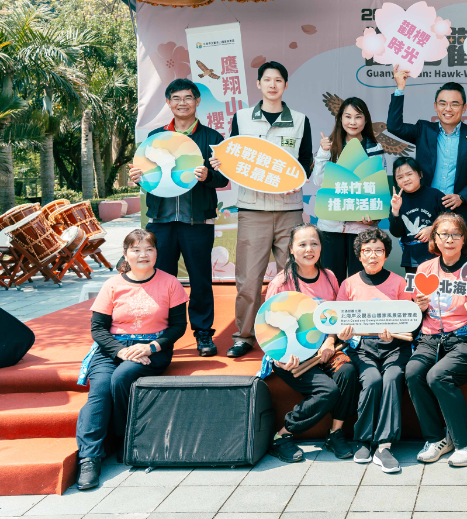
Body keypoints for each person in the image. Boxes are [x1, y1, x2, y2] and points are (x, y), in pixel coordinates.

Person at [215, 61, 315, 359]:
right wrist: (221, 162)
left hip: (289, 210)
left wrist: (298, 180)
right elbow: (233, 156)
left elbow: (306, 162)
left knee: (294, 275)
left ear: (286, 85)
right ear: (258, 84)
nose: (273, 85)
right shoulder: (242, 118)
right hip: (253, 209)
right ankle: (244, 336)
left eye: (278, 80)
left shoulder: (300, 120)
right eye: (267, 80)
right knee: (249, 278)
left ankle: (296, 334)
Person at [75, 230, 188, 490]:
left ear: (156, 253)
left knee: (122, 377)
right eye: (136, 250)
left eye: (149, 249)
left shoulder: (170, 283)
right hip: (112, 348)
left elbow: (178, 327)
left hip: (152, 347)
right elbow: (98, 328)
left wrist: (151, 347)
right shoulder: (112, 284)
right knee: (100, 389)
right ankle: (89, 458)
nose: (143, 255)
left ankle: (122, 437)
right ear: (125, 254)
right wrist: (120, 351)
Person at [129, 79, 228, 358]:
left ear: (197, 101)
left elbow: (223, 178)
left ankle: (203, 333)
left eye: (187, 98)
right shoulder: (155, 137)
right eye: (176, 98)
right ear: (168, 103)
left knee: (200, 279)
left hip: (197, 221)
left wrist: (208, 176)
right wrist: (137, 177)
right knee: (161, 280)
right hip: (161, 221)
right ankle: (162, 335)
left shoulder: (212, 138)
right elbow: (147, 175)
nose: (182, 103)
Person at [405, 213, 467, 467]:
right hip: (430, 338)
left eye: (455, 234)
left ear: (464, 239)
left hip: (466, 339)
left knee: (438, 376)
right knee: (413, 372)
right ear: (435, 238)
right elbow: (414, 316)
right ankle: (437, 438)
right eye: (443, 234)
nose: (449, 239)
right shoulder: (424, 269)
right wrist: (418, 308)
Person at [261, 224, 359, 464]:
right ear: (291, 249)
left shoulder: (330, 277)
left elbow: (335, 316)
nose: (309, 249)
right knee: (328, 390)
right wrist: (281, 358)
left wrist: (331, 340)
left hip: (325, 349)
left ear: (321, 247)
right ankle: (282, 436)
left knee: (347, 371)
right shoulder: (281, 282)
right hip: (290, 354)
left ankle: (335, 434)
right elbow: (267, 327)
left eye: (314, 243)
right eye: (302, 244)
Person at [339, 228, 418, 473]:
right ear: (359, 255)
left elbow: (408, 320)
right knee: (372, 380)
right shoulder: (349, 284)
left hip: (395, 346)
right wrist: (343, 333)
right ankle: (363, 440)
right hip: (363, 347)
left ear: (386, 254)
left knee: (392, 377)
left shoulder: (399, 282)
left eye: (378, 251)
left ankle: (384, 445)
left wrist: (394, 330)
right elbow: (339, 320)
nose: (372, 256)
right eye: (367, 251)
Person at [387, 67, 467, 233]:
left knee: (456, 250)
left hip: (458, 210)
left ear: (464, 108)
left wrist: (462, 197)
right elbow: (394, 127)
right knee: (422, 250)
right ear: (436, 106)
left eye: (454, 104)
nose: (448, 109)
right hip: (424, 208)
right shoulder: (423, 130)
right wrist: (400, 88)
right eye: (443, 103)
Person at [312, 96, 384, 279]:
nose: (353, 122)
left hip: (361, 229)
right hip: (330, 227)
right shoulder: (329, 145)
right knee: (331, 280)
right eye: (348, 116)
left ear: (366, 120)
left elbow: (378, 188)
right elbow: (319, 182)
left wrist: (373, 217)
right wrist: (323, 153)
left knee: (360, 282)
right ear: (340, 119)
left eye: (358, 117)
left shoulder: (374, 149)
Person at [387, 157, 445, 275]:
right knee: (414, 287)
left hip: (438, 255)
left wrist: (434, 229)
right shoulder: (397, 201)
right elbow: (396, 233)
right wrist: (395, 211)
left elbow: (452, 221)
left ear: (420, 174)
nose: (406, 179)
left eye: (409, 174)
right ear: (396, 181)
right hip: (412, 259)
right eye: (400, 177)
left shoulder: (435, 195)